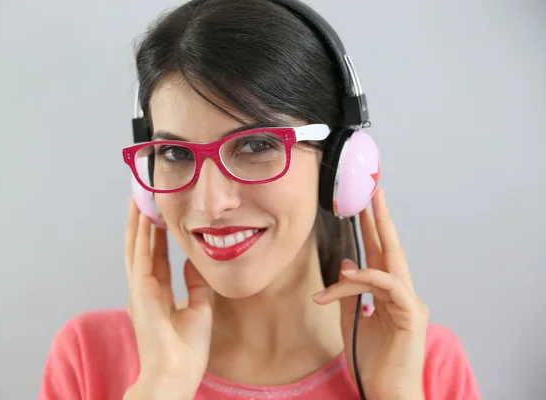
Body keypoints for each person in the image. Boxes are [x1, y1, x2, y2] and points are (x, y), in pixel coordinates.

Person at [38, 0, 481, 399]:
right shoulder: (88, 357)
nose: (212, 203)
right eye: (174, 153)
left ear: (337, 163)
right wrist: (161, 386)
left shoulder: (425, 364)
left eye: (255, 146)